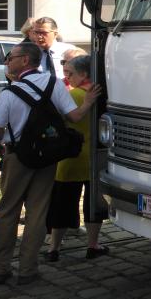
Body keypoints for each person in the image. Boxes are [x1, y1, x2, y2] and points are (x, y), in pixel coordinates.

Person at [0, 42, 101, 285]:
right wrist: (89, 102)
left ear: (26, 61)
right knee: (38, 213)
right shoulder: (54, 84)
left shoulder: (9, 92)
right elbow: (75, 116)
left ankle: (0, 268)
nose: (7, 61)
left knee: (8, 212)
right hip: (47, 157)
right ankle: (28, 270)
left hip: (17, 157)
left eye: (12, 57)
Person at [46, 55, 109, 262]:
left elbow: (59, 120)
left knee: (62, 205)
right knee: (93, 204)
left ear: (84, 74)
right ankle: (93, 245)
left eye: (70, 73)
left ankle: (53, 248)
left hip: (69, 160)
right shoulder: (103, 94)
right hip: (94, 159)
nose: (67, 77)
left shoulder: (74, 96)